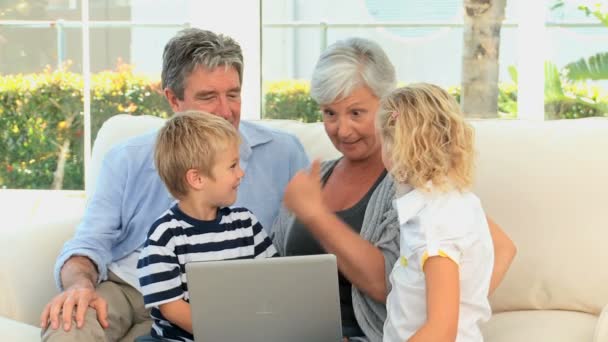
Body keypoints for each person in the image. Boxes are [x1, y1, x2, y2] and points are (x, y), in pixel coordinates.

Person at [40, 28, 308, 341]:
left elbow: (295, 254)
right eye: (208, 97)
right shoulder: (127, 157)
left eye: (232, 94)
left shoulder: (285, 152)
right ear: (173, 99)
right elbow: (89, 242)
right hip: (127, 289)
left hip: (215, 302)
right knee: (69, 327)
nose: (225, 111)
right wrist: (79, 285)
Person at [272, 37, 516, 341]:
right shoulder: (318, 178)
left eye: (356, 113)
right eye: (329, 113)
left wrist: (450, 309)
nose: (342, 130)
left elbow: (498, 249)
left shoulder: (426, 203)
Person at [137, 111, 277, 341]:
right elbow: (171, 308)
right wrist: (227, 334)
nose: (241, 173)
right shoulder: (165, 236)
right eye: (232, 166)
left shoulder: (247, 224)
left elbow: (273, 280)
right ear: (197, 179)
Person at [378, 83, 493, 341]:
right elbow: (506, 248)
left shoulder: (432, 227)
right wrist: (462, 304)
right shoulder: (460, 202)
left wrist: (451, 313)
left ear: (395, 148)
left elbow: (440, 332)